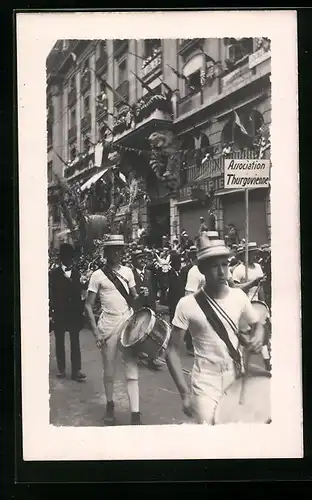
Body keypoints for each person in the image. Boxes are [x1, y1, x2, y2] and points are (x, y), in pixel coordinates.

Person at [165, 234, 265, 424]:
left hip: (235, 377)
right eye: (214, 266)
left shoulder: (239, 297)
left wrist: (258, 335)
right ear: (202, 269)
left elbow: (257, 323)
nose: (221, 272)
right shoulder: (187, 304)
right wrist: (184, 393)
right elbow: (171, 352)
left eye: (225, 265)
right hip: (205, 380)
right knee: (209, 436)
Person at [85, 235, 147, 426]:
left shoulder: (128, 272)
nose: (118, 253)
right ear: (107, 253)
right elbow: (88, 305)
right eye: (114, 250)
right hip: (108, 326)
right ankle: (110, 406)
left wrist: (142, 294)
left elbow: (134, 298)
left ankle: (135, 413)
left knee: (132, 367)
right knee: (109, 370)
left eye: (120, 249)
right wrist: (96, 333)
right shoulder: (97, 275)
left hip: (128, 323)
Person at [49, 243, 86, 382]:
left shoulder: (77, 273)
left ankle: (77, 370)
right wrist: (52, 311)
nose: (70, 260)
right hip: (60, 312)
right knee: (59, 341)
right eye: (67, 257)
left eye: (71, 257)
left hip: (74, 313)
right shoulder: (54, 274)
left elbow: (79, 294)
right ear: (62, 259)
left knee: (75, 342)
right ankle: (61, 369)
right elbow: (51, 294)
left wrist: (81, 310)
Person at [131, 249, 162, 371]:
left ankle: (152, 359)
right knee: (138, 331)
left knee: (151, 332)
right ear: (133, 261)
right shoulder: (130, 274)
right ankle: (137, 354)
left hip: (149, 306)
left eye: (143, 257)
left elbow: (153, 289)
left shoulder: (149, 273)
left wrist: (153, 305)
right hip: (137, 307)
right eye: (139, 258)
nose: (142, 260)